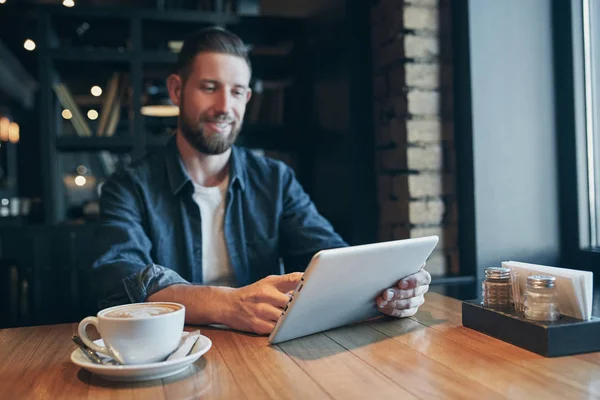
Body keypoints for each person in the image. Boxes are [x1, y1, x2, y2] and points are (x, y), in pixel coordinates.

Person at [91, 26, 431, 335]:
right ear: (177, 90)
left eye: (237, 92)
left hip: (260, 350)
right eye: (210, 88)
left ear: (247, 99)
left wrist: (391, 287)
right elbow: (120, 281)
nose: (225, 106)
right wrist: (227, 305)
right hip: (171, 355)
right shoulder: (129, 186)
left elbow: (328, 257)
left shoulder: (275, 179)